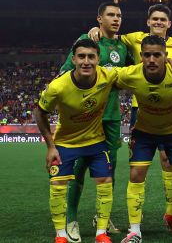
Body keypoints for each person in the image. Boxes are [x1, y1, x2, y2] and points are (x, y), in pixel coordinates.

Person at [90, 3, 172, 230]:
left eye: (162, 20)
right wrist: (91, 32)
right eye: (154, 19)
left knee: (168, 163)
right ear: (148, 22)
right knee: (137, 167)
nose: (158, 23)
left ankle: (170, 213)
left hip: (170, 109)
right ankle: (136, 216)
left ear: (169, 24)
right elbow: (109, 36)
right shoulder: (133, 39)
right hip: (140, 108)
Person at [60, 2, 131, 241]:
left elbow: (137, 73)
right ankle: (71, 220)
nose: (116, 19)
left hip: (111, 116)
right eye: (110, 15)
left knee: (109, 170)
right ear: (99, 18)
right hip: (85, 117)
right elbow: (64, 73)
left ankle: (102, 217)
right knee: (78, 168)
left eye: (119, 15)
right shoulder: (87, 40)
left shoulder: (123, 47)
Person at [35, 39, 118, 243]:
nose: (86, 61)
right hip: (65, 143)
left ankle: (101, 233)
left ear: (98, 59)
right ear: (73, 60)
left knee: (106, 182)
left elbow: (139, 72)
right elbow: (39, 112)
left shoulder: (108, 76)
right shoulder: (58, 87)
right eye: (81, 56)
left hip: (96, 141)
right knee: (58, 185)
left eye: (91, 56)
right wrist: (50, 146)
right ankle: (61, 235)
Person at [116, 36, 172, 243]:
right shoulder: (130, 74)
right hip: (144, 132)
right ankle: (134, 231)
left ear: (165, 56)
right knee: (136, 174)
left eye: (157, 55)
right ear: (141, 56)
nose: (152, 59)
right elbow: (102, 77)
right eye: (147, 55)